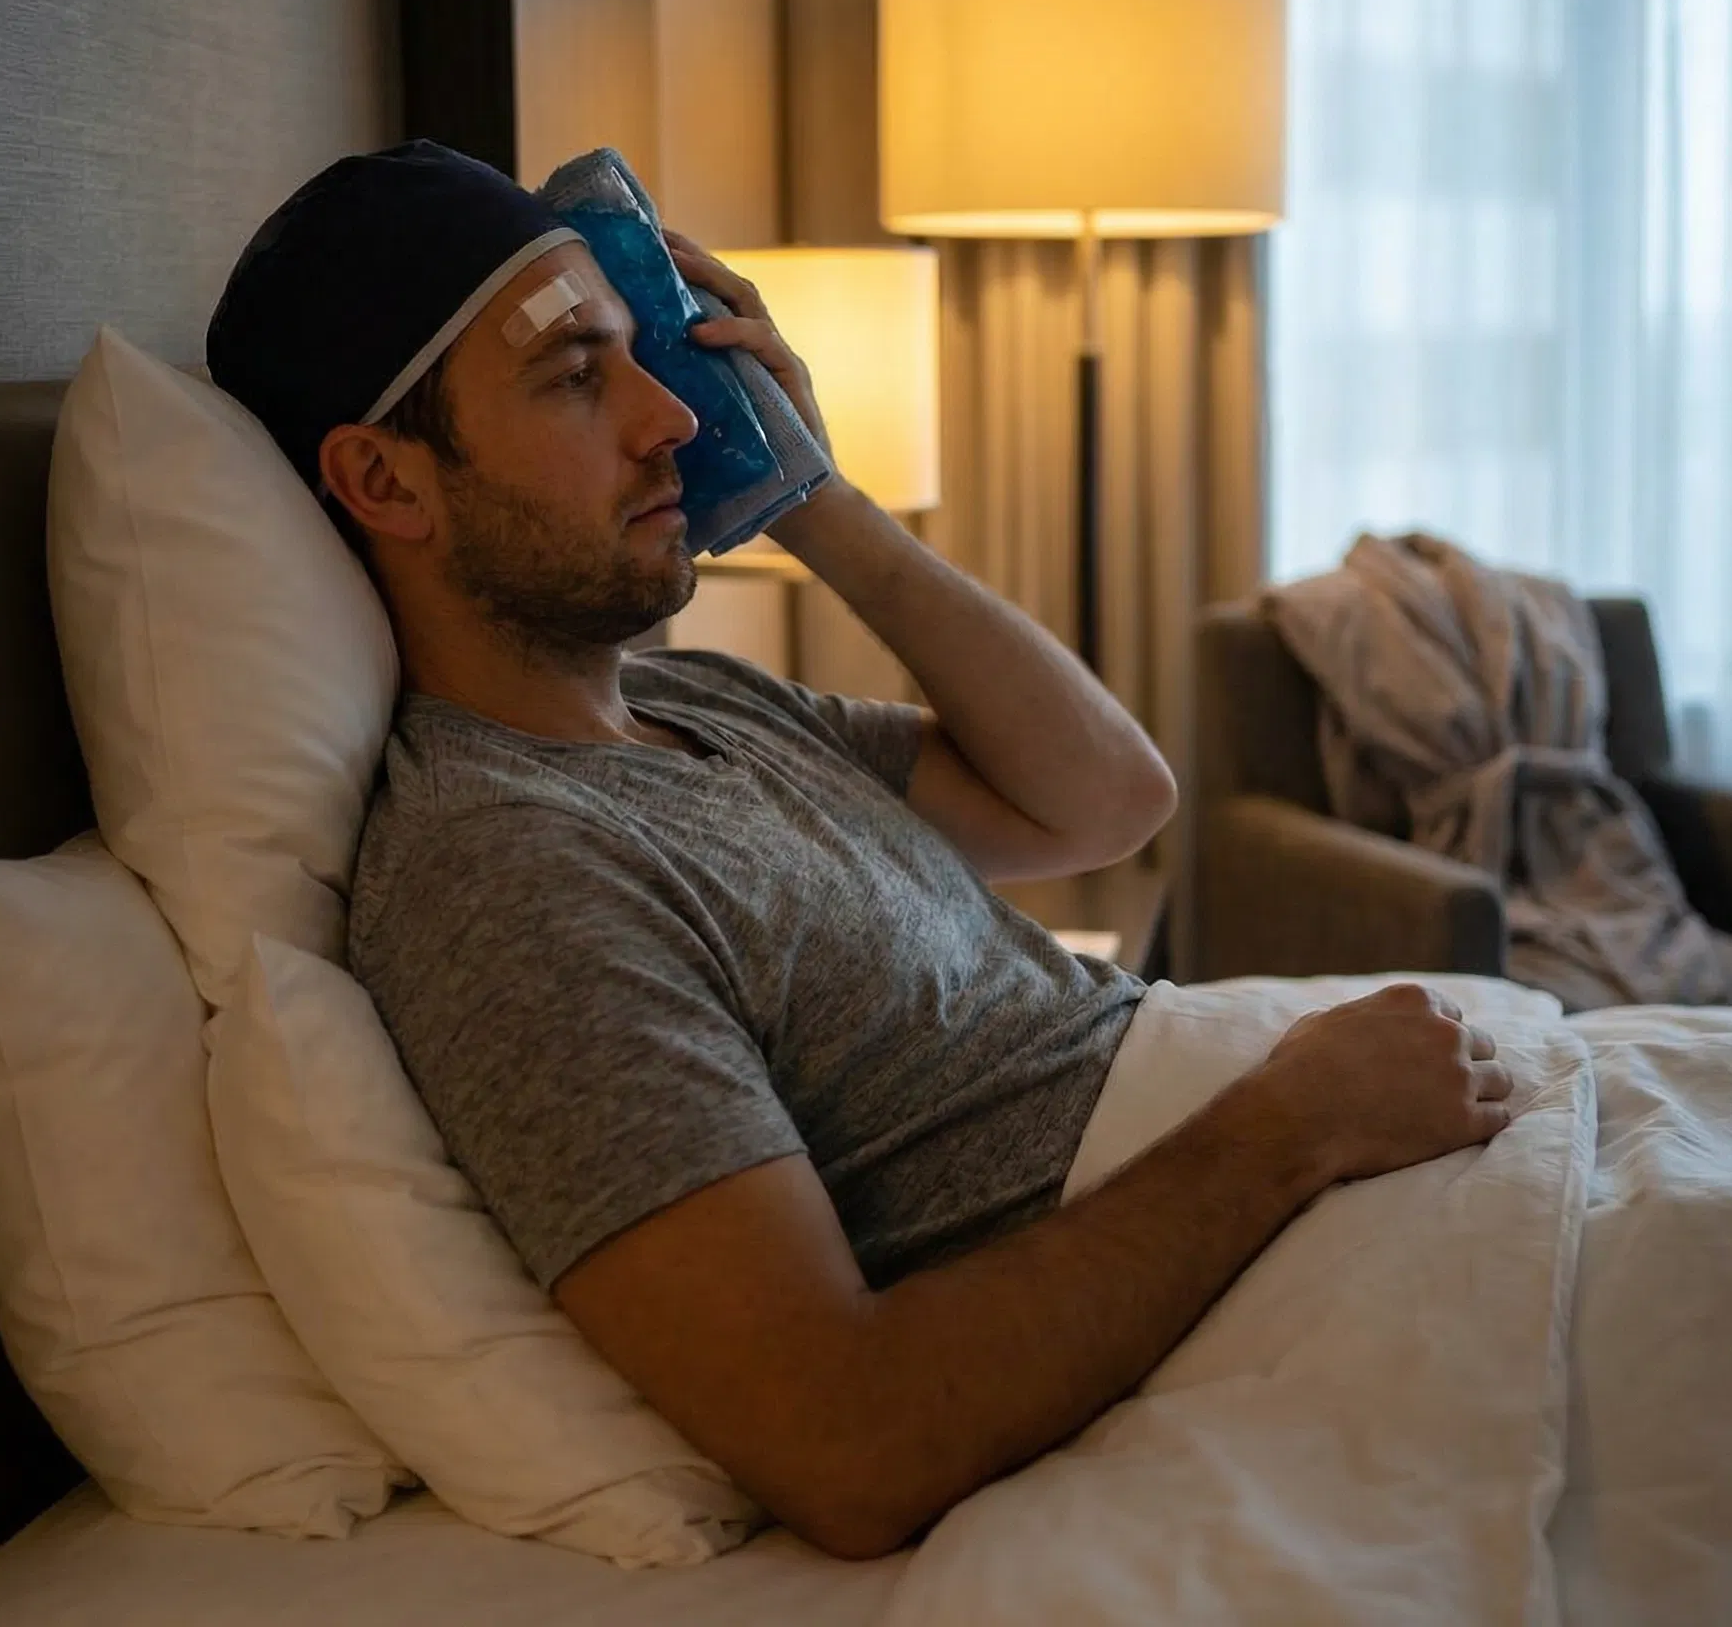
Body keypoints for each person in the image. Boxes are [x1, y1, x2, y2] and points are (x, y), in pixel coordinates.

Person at [208, 141, 1514, 1560]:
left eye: (648, 356)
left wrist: (807, 489)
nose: (670, 418)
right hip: (1283, 1234)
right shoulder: (511, 871)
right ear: (386, 482)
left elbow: (1106, 799)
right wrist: (1290, 1126)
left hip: (1350, 1179)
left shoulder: (699, 703)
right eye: (576, 376)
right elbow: (847, 1442)